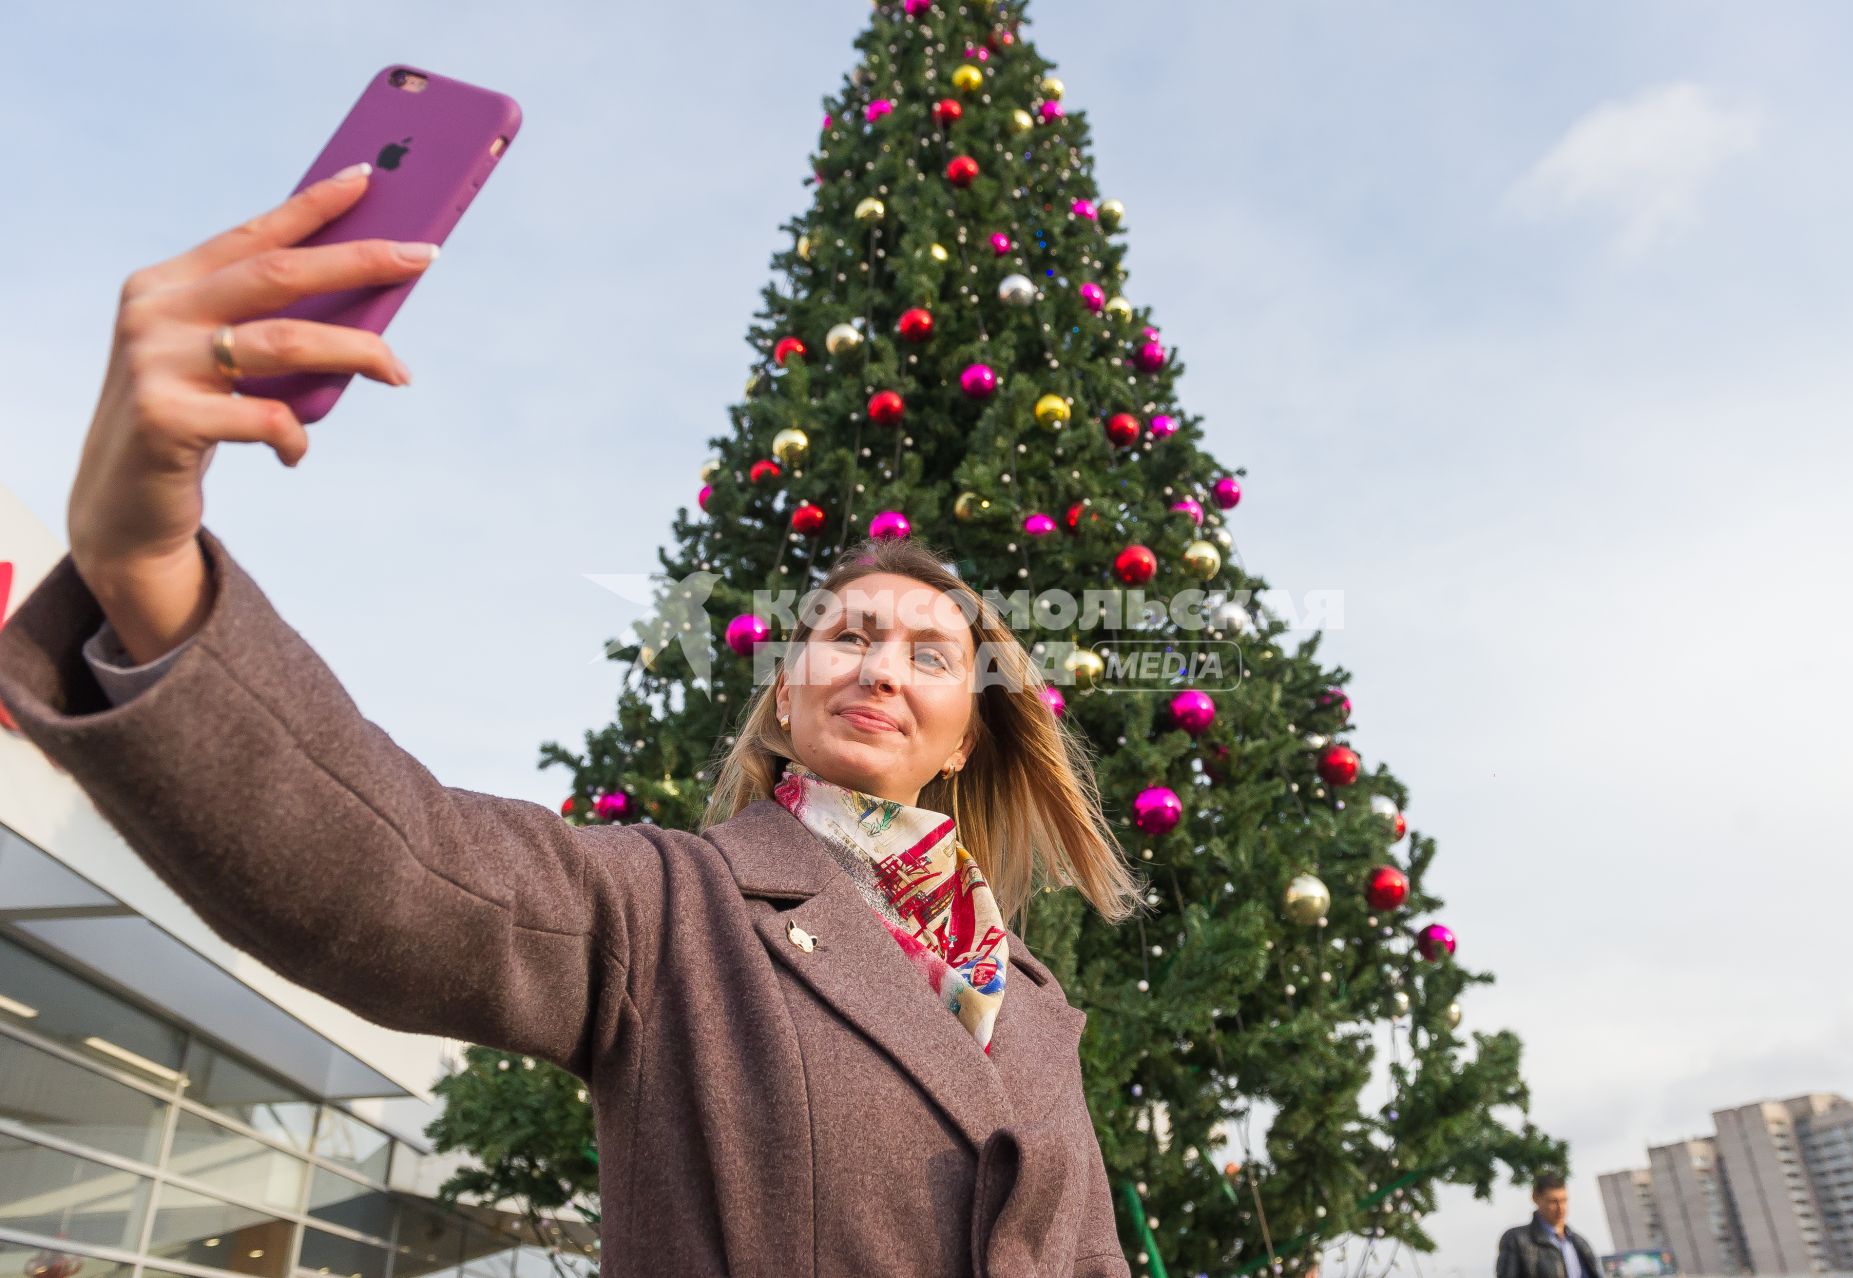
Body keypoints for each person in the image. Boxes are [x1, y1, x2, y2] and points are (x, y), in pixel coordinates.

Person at [0, 164, 1148, 1277]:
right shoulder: (666, 908)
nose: (880, 670)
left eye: (930, 655)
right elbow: (385, 866)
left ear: (964, 739)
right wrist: (142, 566)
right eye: (843, 636)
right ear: (784, 700)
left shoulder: (1033, 1004)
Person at [1497, 1173, 1603, 1278]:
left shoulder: (1580, 1242)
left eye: (1564, 1200)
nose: (1560, 1208)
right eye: (1553, 1201)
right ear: (1535, 1198)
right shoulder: (1516, 1240)